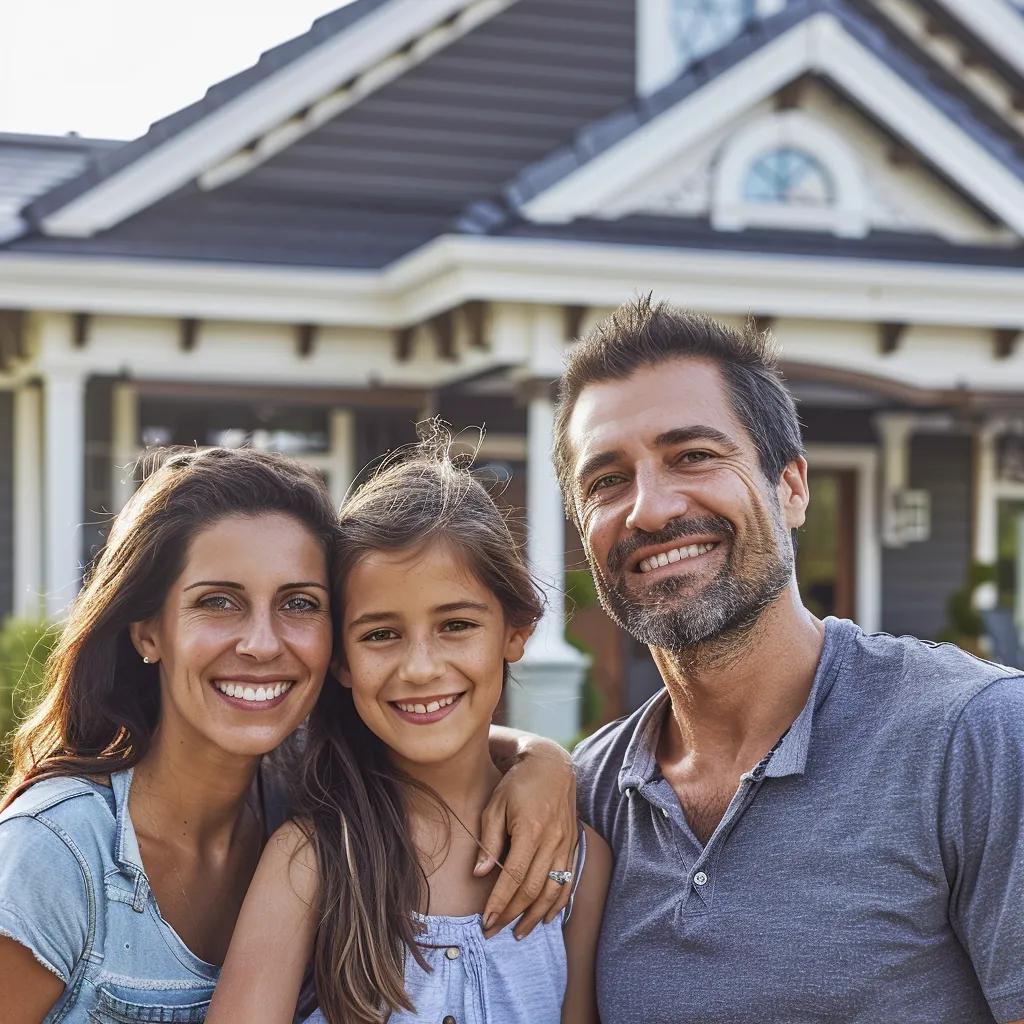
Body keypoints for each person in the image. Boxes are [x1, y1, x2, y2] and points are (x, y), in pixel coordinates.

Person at [557, 297, 1024, 1024]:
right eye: (606, 481)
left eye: (693, 455)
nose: (647, 509)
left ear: (792, 487)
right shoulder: (588, 796)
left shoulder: (975, 737)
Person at [0, 446, 578, 1024]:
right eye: (218, 602)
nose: (262, 643)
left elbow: (431, 735)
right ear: (149, 633)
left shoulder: (304, 788)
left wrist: (542, 761)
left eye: (299, 603)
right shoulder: (55, 850)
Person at [205, 430, 610, 1024]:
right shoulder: (312, 858)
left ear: (516, 630)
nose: (420, 668)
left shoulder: (576, 861)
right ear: (339, 659)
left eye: (456, 625)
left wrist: (543, 759)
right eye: (380, 635)